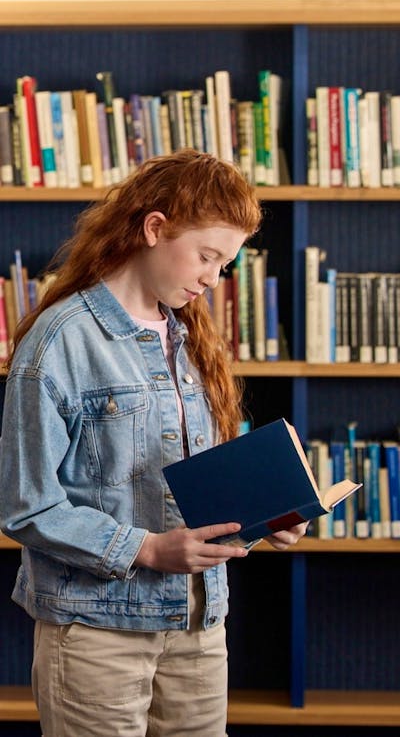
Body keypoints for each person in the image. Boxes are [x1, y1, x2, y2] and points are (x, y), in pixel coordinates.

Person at [0, 149, 307, 737]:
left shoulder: (188, 336)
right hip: (97, 636)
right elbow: (27, 505)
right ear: (155, 229)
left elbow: (191, 479)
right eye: (207, 257)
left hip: (198, 626)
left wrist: (266, 514)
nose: (212, 280)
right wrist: (147, 550)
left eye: (225, 265)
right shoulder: (60, 341)